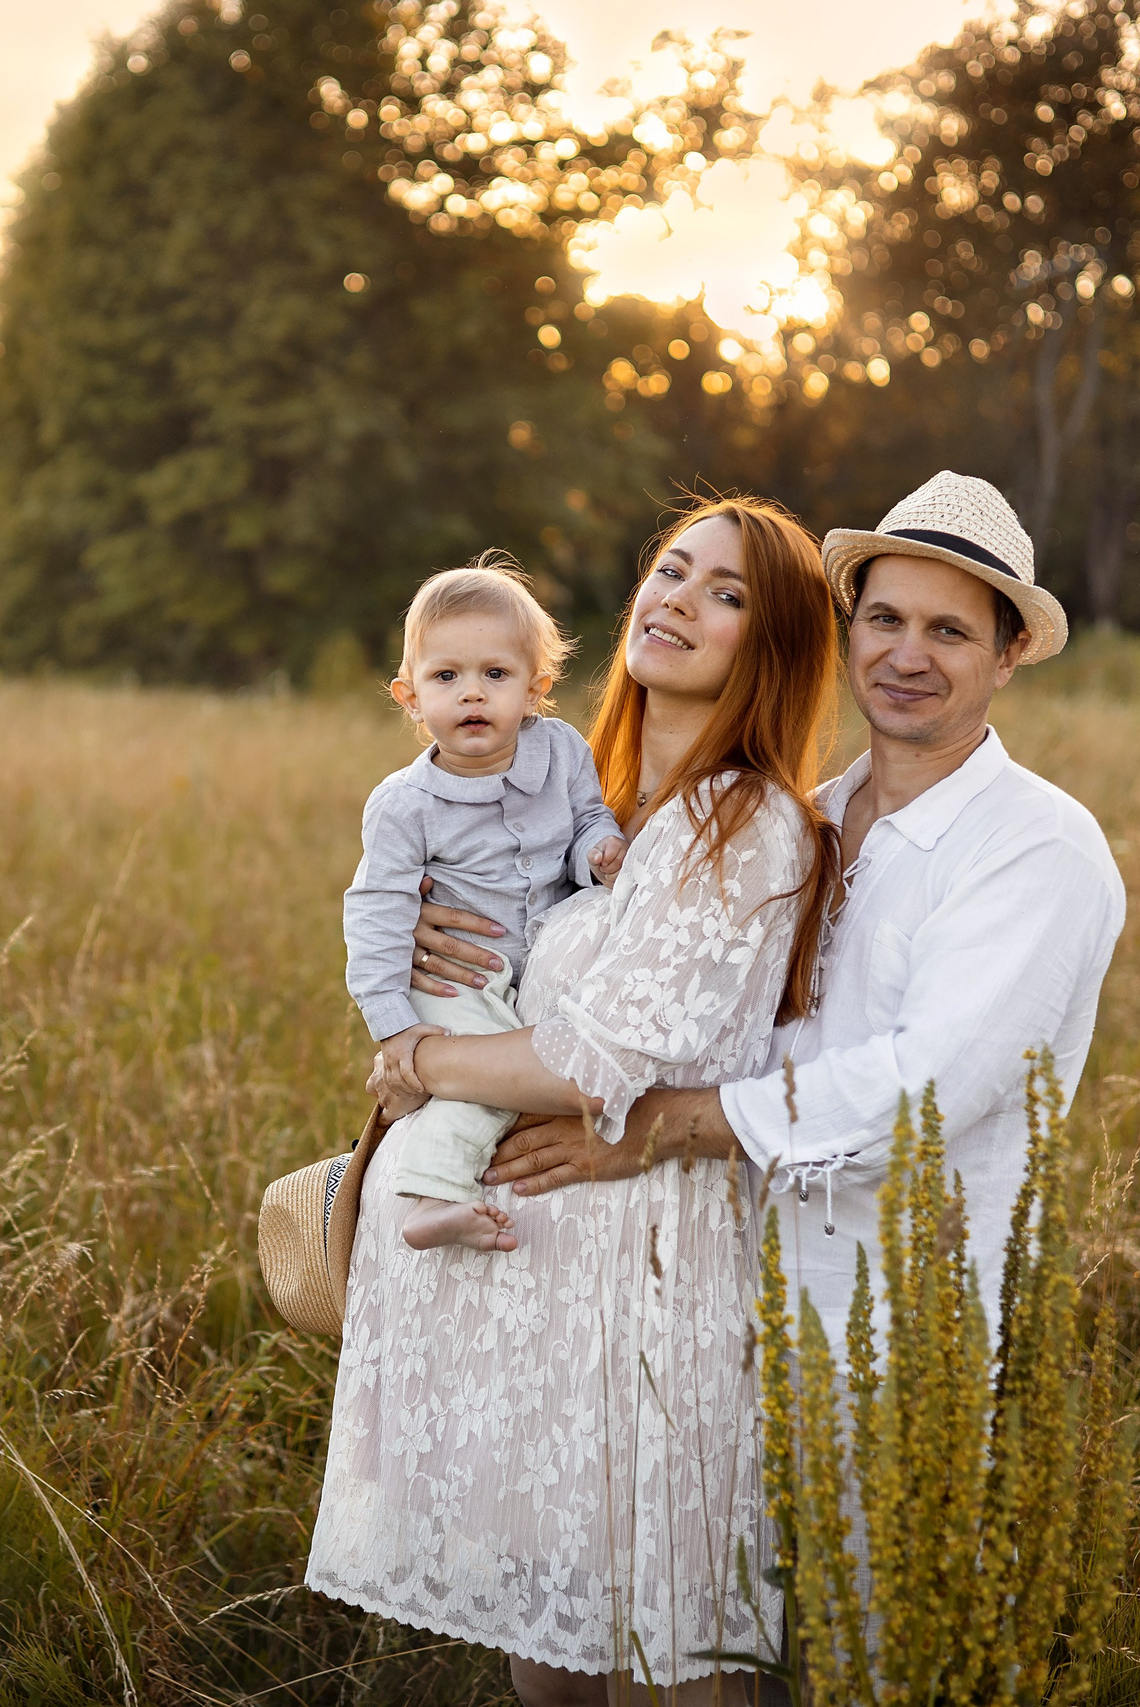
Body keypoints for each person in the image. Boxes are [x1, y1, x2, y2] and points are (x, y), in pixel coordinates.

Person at [307, 496, 841, 1703]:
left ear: (772, 646)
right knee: (549, 1675)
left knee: (668, 1665)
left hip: (642, 1296)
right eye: (671, 569)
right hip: (529, 1310)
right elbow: (459, 942)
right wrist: (441, 960)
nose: (679, 601)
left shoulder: (742, 818)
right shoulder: (570, 795)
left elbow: (591, 1064)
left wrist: (420, 1059)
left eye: (727, 593)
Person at [434, 469, 1126, 1395]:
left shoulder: (1035, 846)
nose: (907, 654)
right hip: (729, 1307)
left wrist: (670, 1125)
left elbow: (927, 1086)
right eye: (886, 620)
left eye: (949, 631)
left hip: (901, 1328)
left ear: (1008, 654)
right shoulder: (817, 819)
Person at [342, 557, 628, 1255]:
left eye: (495, 675)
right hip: (455, 979)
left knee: (522, 1066)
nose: (472, 694)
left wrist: (600, 852)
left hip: (530, 973)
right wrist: (395, 1028)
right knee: (492, 1080)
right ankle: (434, 1194)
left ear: (536, 688)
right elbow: (376, 914)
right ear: (409, 697)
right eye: (446, 677)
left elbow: (586, 818)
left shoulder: (561, 752)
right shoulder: (404, 805)